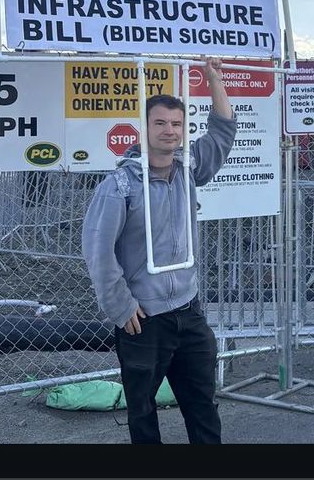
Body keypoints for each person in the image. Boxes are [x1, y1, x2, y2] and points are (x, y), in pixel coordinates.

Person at [82, 56, 236, 444]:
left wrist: (214, 79)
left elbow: (223, 131)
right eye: (161, 123)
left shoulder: (188, 170)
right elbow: (98, 251)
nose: (170, 131)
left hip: (189, 312)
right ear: (144, 127)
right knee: (142, 413)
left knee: (202, 406)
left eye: (177, 124)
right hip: (145, 319)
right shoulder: (120, 186)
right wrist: (120, 306)